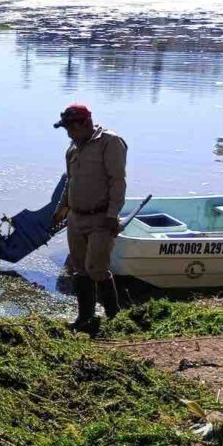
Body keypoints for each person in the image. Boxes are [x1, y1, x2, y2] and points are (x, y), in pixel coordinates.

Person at [50, 105, 127, 332]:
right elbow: (70, 182)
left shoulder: (109, 142)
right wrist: (61, 209)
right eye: (66, 129)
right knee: (80, 269)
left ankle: (114, 316)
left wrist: (112, 215)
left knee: (97, 268)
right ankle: (84, 317)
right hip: (76, 218)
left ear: (85, 123)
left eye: (71, 128)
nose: (69, 133)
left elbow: (117, 181)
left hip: (101, 217)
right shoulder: (72, 149)